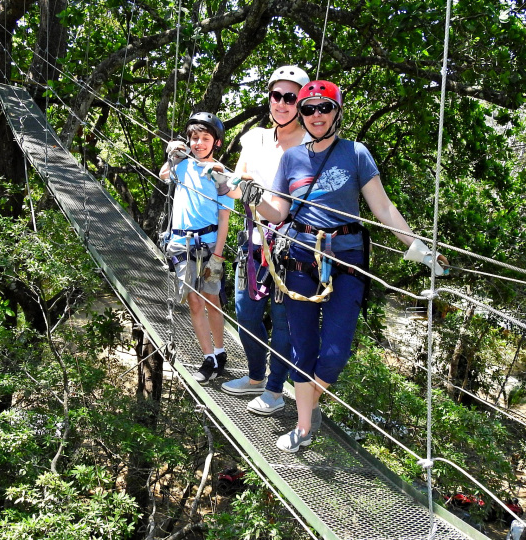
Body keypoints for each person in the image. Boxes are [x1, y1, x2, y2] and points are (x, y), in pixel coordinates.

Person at [239, 80, 448, 452]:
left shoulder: (355, 153)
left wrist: (419, 247)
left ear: (337, 112)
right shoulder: (291, 159)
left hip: (346, 258)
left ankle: (308, 403)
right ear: (301, 116)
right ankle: (304, 429)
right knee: (303, 347)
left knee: (334, 353)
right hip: (301, 258)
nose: (316, 115)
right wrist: (251, 198)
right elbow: (278, 213)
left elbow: (382, 208)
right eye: (308, 109)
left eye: (324, 108)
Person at [220, 65, 311, 416]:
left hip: (292, 244)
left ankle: (275, 390)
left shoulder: (311, 146)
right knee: (245, 312)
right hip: (254, 241)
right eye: (277, 96)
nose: (283, 104)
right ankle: (256, 376)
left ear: (301, 102)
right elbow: (235, 180)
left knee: (283, 318)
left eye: (291, 97)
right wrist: (205, 170)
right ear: (269, 98)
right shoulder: (255, 138)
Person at [159, 112, 235, 384]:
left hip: (210, 244)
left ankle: (220, 350)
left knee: (212, 300)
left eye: (205, 138)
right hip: (182, 243)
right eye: (194, 138)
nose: (199, 143)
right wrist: (174, 151)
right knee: (193, 301)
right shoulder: (183, 164)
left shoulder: (222, 175)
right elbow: (163, 174)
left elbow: (225, 218)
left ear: (216, 142)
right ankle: (208, 358)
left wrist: (218, 256)